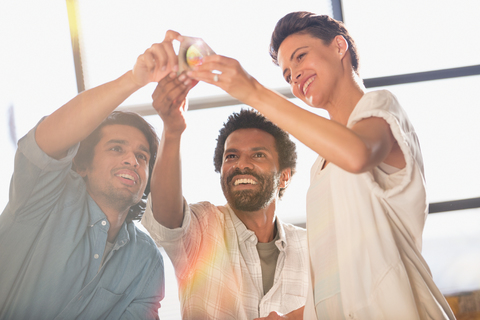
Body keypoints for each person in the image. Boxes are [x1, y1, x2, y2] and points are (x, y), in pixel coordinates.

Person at [186, 11, 455, 320]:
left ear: (339, 47)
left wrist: (252, 91)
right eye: (287, 74)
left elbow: (357, 154)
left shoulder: (380, 108)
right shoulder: (320, 169)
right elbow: (335, 284)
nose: (295, 75)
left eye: (300, 57)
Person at [0, 31, 187, 319]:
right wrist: (134, 79)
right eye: (116, 148)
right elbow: (44, 142)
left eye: (142, 156)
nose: (132, 160)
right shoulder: (44, 199)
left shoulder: (147, 260)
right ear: (82, 165)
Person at [141, 72, 308, 319]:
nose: (242, 164)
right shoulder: (202, 226)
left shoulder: (311, 247)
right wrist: (173, 130)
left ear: (284, 176)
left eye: (258, 155)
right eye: (231, 156)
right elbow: (165, 215)